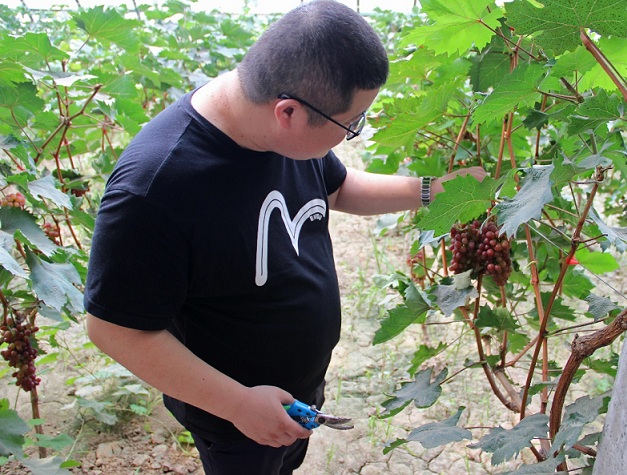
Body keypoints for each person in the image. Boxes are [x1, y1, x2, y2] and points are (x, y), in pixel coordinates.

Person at [84, 1, 485, 473]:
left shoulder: (277, 129)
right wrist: (237, 404)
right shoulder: (154, 189)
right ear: (288, 112)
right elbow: (114, 329)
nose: (350, 134)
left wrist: (434, 191)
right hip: (238, 419)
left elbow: (339, 188)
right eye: (351, 124)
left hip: (298, 393)